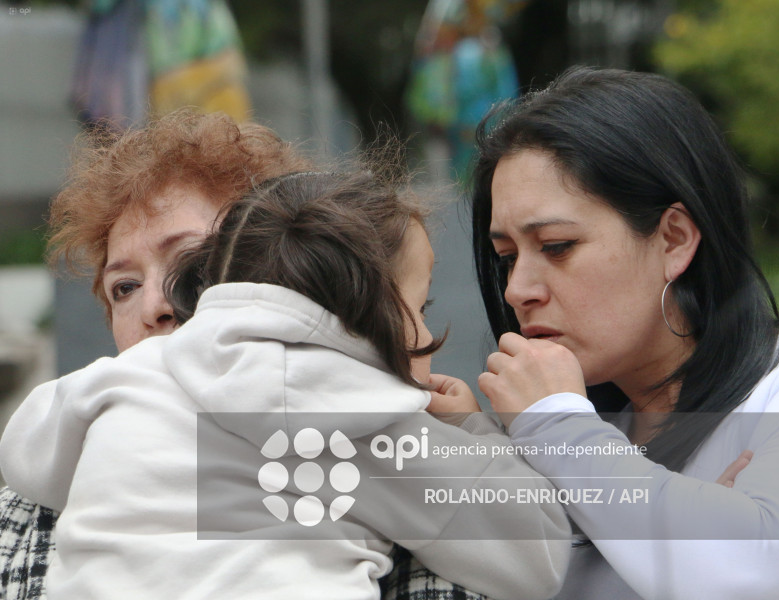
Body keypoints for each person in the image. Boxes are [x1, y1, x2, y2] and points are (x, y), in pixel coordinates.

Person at [1, 169, 571, 599]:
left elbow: (26, 454)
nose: (156, 305)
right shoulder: (370, 420)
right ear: (373, 314)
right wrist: (472, 432)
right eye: (420, 308)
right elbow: (537, 554)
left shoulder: (124, 378)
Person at [459, 66, 779, 599]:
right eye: (506, 258)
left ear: (674, 240)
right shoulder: (571, 421)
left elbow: (750, 574)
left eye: (556, 246)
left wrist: (557, 431)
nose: (517, 290)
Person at [0, 108, 311, 599]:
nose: (155, 306)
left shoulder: (366, 455)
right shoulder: (23, 520)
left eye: (192, 263)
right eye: (124, 287)